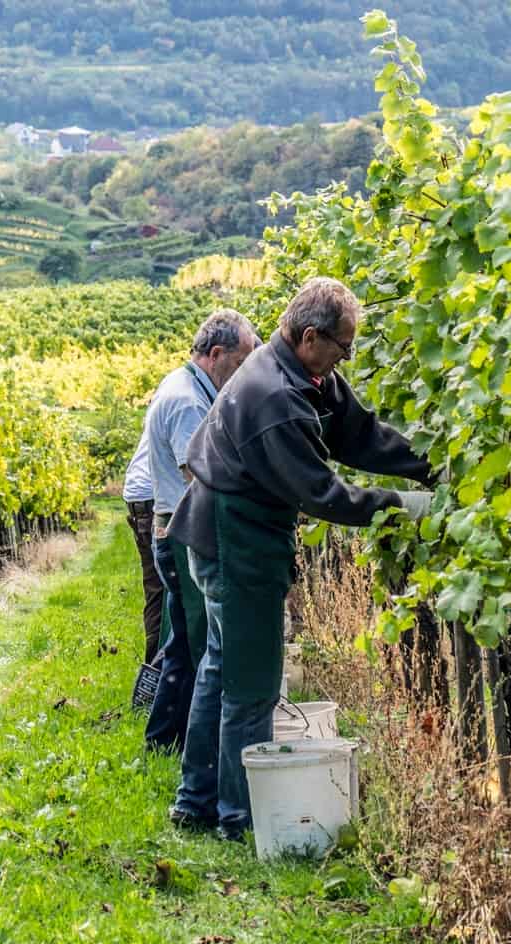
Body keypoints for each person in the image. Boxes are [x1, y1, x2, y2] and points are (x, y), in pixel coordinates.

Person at [166, 278, 434, 838]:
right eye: (343, 347)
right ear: (311, 335)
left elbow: (357, 434)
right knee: (251, 684)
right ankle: (240, 818)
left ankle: (197, 802)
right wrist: (406, 506)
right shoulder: (276, 398)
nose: (346, 359)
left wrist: (429, 464)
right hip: (235, 542)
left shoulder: (301, 371)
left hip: (226, 534)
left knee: (221, 668)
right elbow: (324, 494)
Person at [139, 309, 260, 752]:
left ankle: (163, 739)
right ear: (216, 354)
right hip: (184, 535)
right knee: (197, 650)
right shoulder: (189, 401)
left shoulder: (184, 384)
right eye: (244, 359)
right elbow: (205, 478)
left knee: (181, 643)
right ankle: (192, 745)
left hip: (172, 529)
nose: (248, 370)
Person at [122, 420, 163, 667]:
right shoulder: (188, 398)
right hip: (152, 497)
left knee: (157, 590)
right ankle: (159, 675)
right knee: (165, 590)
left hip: (143, 496)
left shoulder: (174, 387)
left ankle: (158, 675)